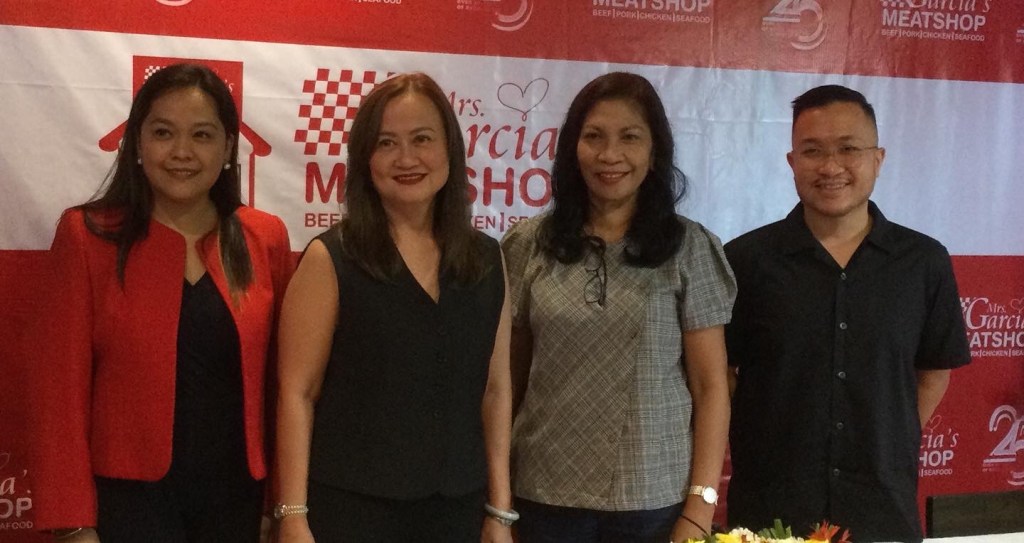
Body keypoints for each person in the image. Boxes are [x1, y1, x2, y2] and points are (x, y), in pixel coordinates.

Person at [32, 63, 294, 542]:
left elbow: (282, 388)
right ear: (136, 143)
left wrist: (279, 504)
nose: (181, 152)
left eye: (202, 135)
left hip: (237, 502)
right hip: (126, 503)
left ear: (228, 148)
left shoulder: (265, 238)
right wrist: (73, 525)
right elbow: (59, 395)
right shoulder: (87, 237)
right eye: (163, 133)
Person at [273, 72, 514, 543]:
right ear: (365, 159)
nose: (406, 158)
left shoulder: (486, 258)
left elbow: (496, 391)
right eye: (386, 143)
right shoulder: (331, 258)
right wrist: (293, 515)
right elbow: (297, 393)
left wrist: (499, 511)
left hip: (458, 511)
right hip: (352, 511)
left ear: (450, 149)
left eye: (422, 139)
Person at [724, 84, 971, 542]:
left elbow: (934, 371)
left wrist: (888, 437)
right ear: (792, 161)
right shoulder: (745, 260)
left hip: (882, 508)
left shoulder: (923, 261)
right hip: (771, 508)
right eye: (812, 151)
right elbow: (718, 370)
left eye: (848, 149)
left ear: (878, 158)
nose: (831, 166)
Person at [501, 72, 735, 543]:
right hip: (544, 497)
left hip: (655, 503)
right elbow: (507, 382)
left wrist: (700, 507)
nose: (610, 155)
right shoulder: (529, 244)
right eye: (594, 137)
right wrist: (497, 498)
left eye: (630, 137)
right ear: (572, 148)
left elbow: (711, 387)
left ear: (654, 152)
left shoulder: (689, 248)